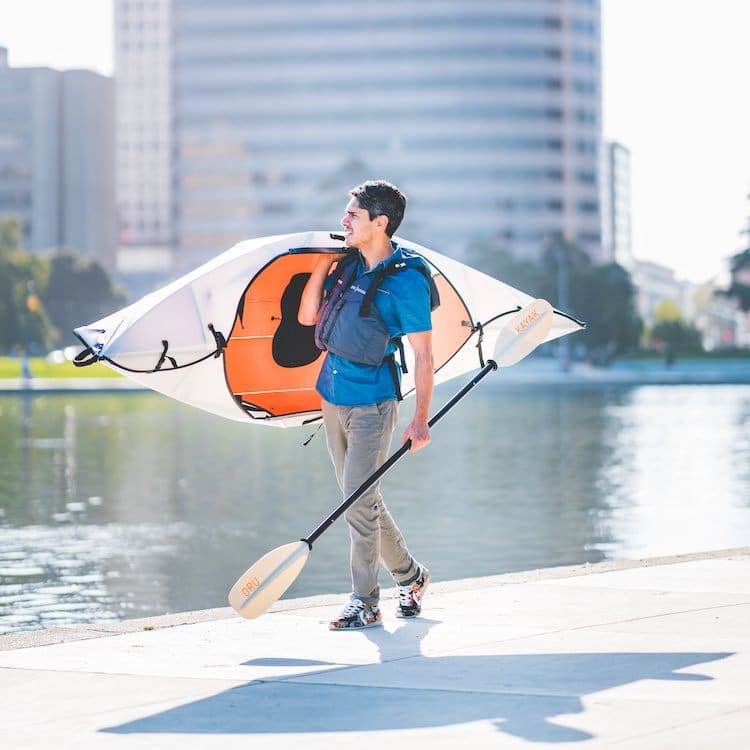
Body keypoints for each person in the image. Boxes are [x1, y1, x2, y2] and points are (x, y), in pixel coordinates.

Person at [298, 180, 434, 630]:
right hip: (331, 396)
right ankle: (412, 578)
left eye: (352, 215)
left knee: (357, 499)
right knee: (360, 498)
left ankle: (366, 601)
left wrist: (420, 421)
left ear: (380, 223)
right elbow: (307, 318)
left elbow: (424, 354)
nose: (344, 221)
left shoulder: (408, 281)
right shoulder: (349, 265)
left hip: (373, 403)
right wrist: (320, 269)